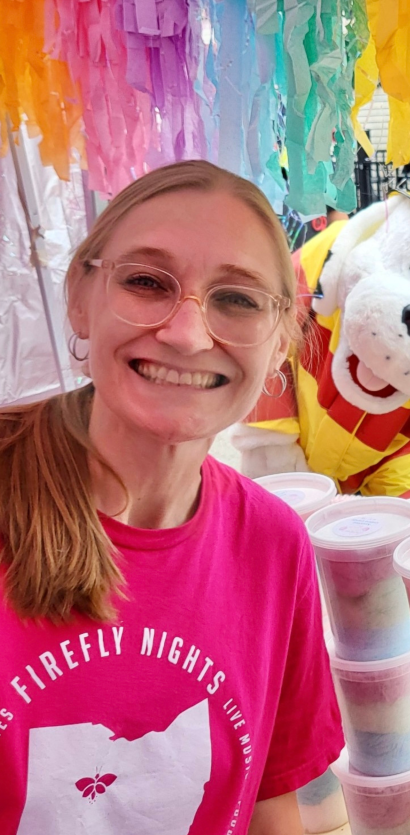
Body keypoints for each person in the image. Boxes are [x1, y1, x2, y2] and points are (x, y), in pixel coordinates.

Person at [0, 161, 343, 834]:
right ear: (80, 297)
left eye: (237, 299)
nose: (186, 334)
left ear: (281, 340)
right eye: (146, 282)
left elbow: (270, 799)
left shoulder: (273, 544)